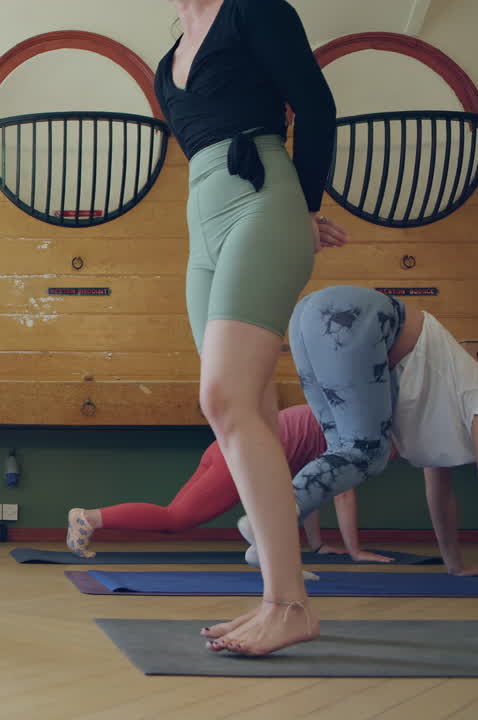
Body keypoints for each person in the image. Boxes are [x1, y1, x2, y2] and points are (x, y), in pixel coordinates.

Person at [155, 0, 346, 655]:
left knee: (224, 397)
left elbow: (316, 108)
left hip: (261, 204)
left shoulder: (253, 11)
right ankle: (277, 596)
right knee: (245, 413)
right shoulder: (165, 65)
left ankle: (288, 605)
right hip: (202, 227)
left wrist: (304, 208)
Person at [229, 287, 478, 595]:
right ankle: (266, 521)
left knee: (341, 453)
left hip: (309, 315)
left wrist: (455, 565)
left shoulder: (449, 423)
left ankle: (268, 542)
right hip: (354, 315)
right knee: (367, 453)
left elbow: (440, 495)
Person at [66, 405, 393, 563]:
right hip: (238, 456)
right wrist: (355, 552)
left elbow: (310, 492)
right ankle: (88, 517)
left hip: (224, 448)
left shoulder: (333, 414)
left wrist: (317, 546)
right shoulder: (351, 436)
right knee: (175, 520)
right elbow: (343, 493)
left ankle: (89, 518)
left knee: (172, 515)